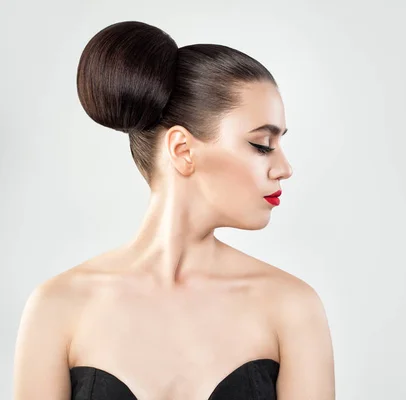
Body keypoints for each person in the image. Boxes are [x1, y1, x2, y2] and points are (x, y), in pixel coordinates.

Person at [13, 20, 335, 400]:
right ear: (182, 150)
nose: (285, 167)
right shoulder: (58, 308)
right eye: (263, 144)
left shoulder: (292, 308)